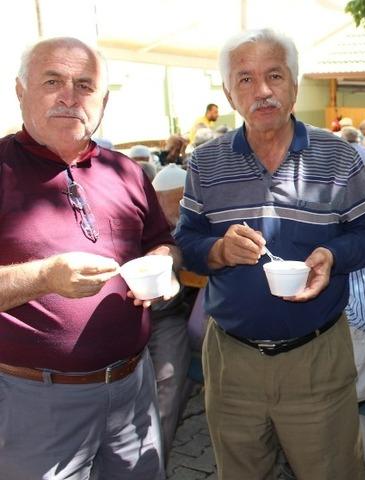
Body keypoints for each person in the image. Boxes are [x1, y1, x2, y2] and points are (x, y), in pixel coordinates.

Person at [174, 28, 365, 480]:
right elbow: (187, 245)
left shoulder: (338, 157)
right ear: (230, 93)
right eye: (246, 79)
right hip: (231, 363)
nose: (263, 90)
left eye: (274, 75)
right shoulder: (205, 162)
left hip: (316, 361)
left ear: (294, 83)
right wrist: (217, 250)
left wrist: (331, 256)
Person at [0, 37, 179, 479]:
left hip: (133, 390)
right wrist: (44, 276)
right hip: (33, 401)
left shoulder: (127, 171)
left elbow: (162, 241)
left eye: (84, 85)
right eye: (53, 81)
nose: (69, 96)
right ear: (21, 91)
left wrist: (163, 267)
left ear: (103, 101)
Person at [149, 163, 196, 453]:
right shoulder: (144, 220)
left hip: (170, 318)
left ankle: (155, 460)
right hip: (134, 319)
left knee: (168, 385)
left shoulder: (192, 224)